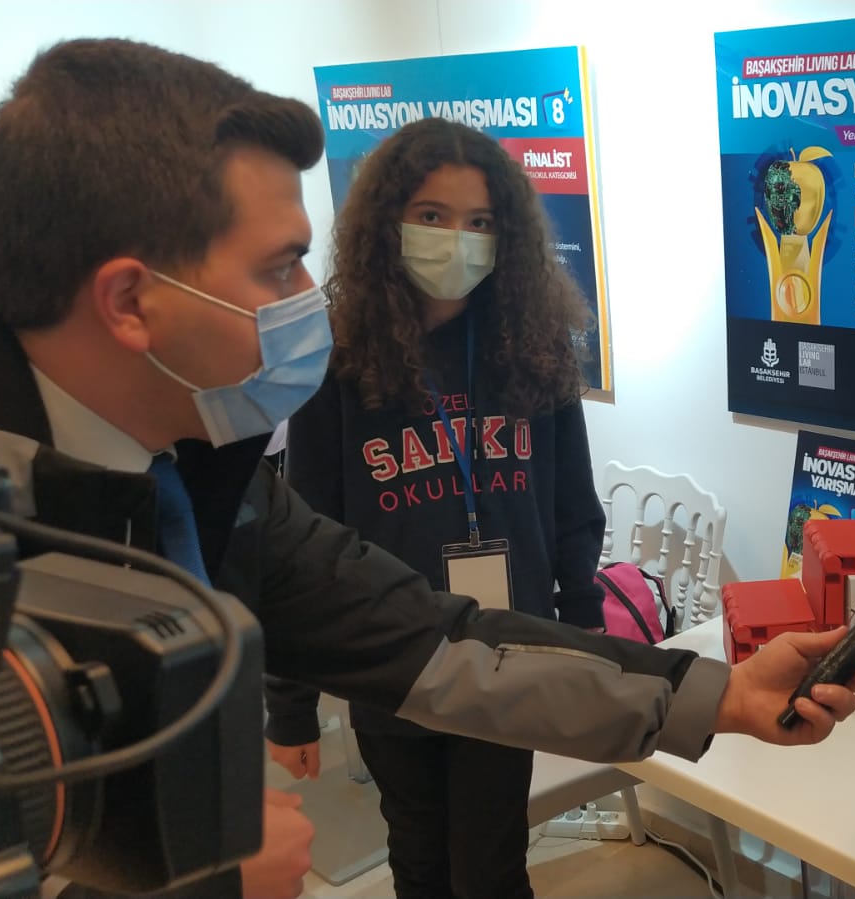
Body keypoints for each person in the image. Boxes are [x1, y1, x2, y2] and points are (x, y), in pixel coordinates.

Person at [0, 38, 855, 898]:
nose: (308, 297)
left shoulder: (209, 476)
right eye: (280, 266)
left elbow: (436, 642)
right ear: (132, 302)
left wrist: (718, 692)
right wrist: (188, 874)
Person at [262, 118, 608, 899]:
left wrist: (583, 616)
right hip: (392, 655)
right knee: (417, 856)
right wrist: (290, 703)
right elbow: (300, 542)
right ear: (387, 223)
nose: (457, 239)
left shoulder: (534, 348)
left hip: (506, 649)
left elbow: (570, 498)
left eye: (479, 221)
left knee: (490, 864)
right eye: (432, 215)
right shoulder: (338, 358)